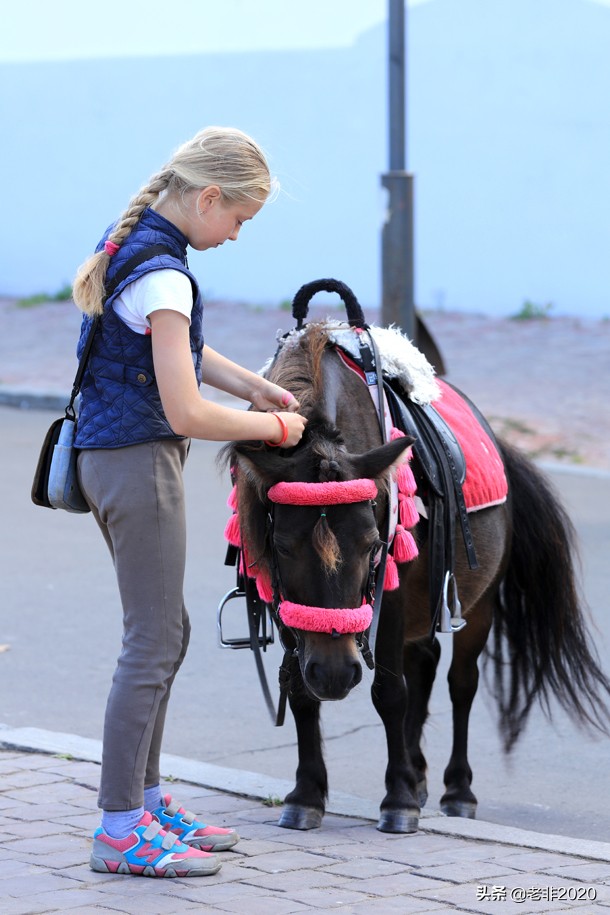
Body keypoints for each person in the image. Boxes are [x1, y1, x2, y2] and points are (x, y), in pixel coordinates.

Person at [71, 126, 307, 878]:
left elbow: (175, 347)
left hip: (114, 457)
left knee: (165, 631)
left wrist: (249, 382)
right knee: (151, 641)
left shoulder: (133, 240)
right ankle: (119, 826)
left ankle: (144, 800)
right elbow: (185, 412)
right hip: (137, 461)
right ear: (208, 197)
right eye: (239, 218)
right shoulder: (165, 272)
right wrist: (275, 425)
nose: (236, 235)